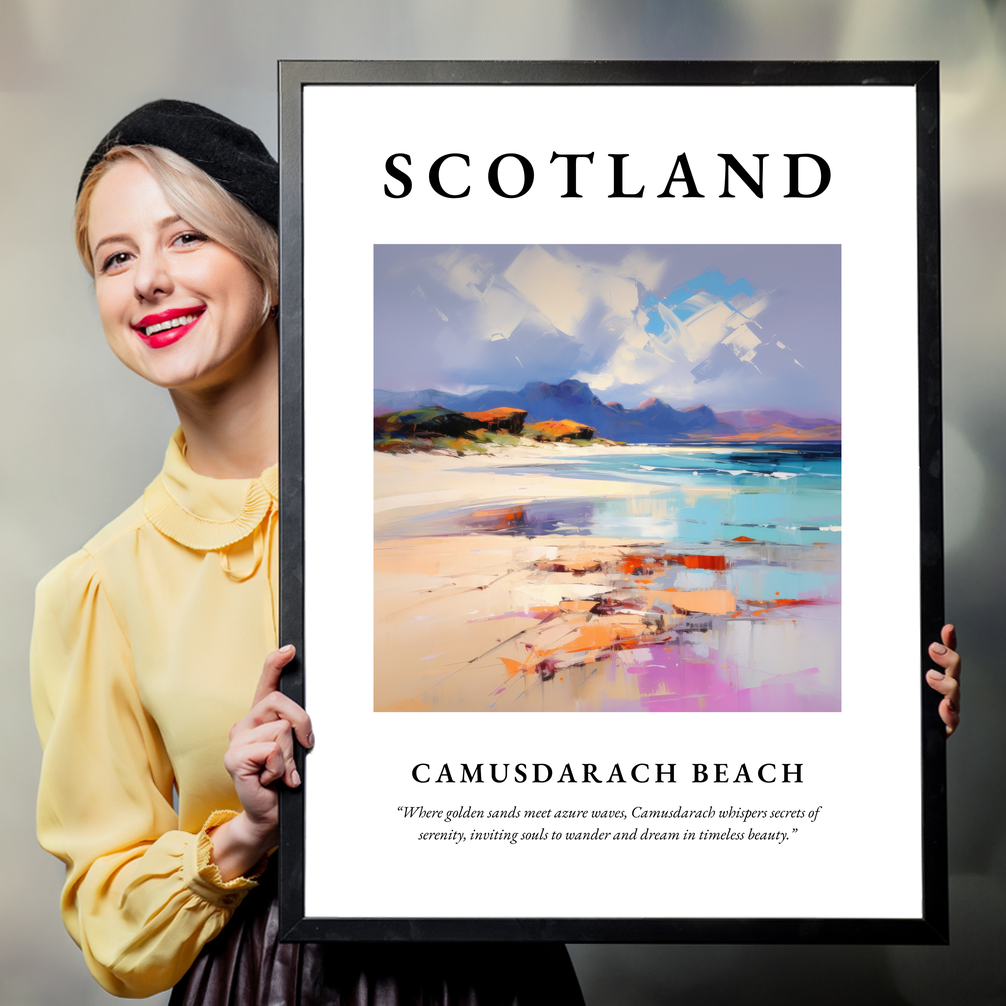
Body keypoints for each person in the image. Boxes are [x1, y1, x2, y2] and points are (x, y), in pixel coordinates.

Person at [30, 100, 586, 1004]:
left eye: (185, 238)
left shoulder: (443, 498)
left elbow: (602, 721)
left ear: (272, 263)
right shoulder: (97, 587)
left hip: (492, 973)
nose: (148, 281)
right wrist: (245, 832)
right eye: (116, 257)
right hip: (262, 982)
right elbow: (110, 923)